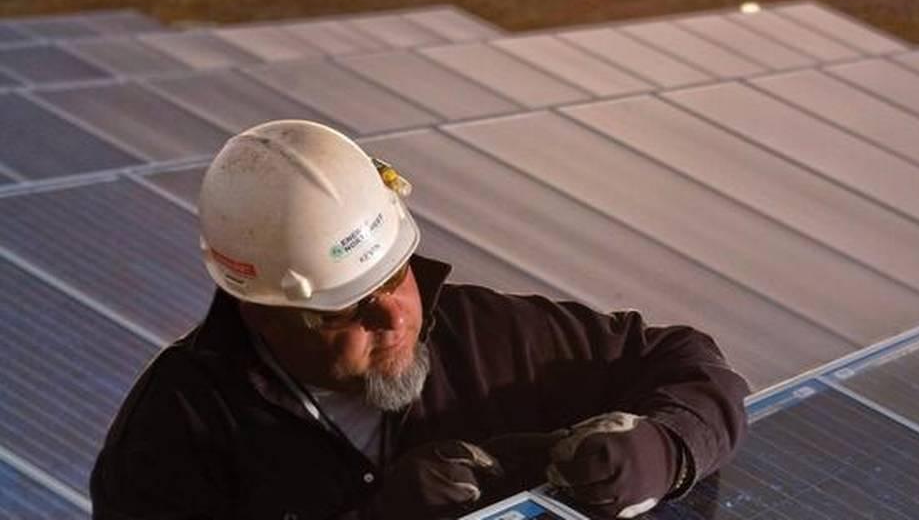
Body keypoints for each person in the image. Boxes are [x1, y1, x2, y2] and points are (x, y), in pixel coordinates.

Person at [90, 120, 748, 520]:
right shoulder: (173, 434)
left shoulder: (485, 334)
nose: (397, 313)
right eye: (351, 303)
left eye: (397, 272)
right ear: (265, 312)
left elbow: (693, 365)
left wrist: (668, 448)